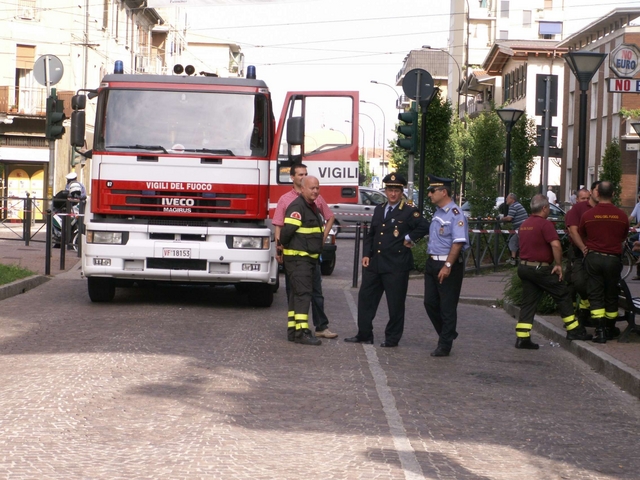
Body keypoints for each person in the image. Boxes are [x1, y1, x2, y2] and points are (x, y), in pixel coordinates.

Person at [344, 173, 429, 347]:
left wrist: (410, 238)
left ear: (401, 192)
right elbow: (372, 234)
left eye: (396, 190)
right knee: (366, 298)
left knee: (395, 304)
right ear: (385, 190)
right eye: (390, 190)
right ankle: (364, 333)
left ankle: (392, 338)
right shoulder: (380, 209)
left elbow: (424, 226)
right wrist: (366, 254)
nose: (392, 194)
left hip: (396, 265)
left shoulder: (409, 211)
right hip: (376, 263)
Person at [514, 194, 592, 349]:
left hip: (524, 268)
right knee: (562, 294)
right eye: (548, 207)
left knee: (528, 302)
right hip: (540, 269)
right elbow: (556, 245)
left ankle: (522, 337)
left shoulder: (525, 224)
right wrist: (557, 264)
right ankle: (573, 329)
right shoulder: (545, 224)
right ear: (544, 208)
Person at [273, 163, 338, 339]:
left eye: (305, 173)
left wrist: (322, 238)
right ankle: (299, 331)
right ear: (293, 178)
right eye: (300, 174)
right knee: (298, 293)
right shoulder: (289, 201)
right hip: (297, 257)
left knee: (312, 292)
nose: (303, 176)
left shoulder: (314, 200)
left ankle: (316, 326)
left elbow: (330, 217)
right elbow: (281, 227)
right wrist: (279, 249)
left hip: (310, 256)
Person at [423, 175, 469, 357]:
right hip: (432, 262)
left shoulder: (455, 214)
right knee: (429, 303)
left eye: (432, 191)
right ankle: (447, 333)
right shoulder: (438, 212)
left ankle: (445, 344)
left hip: (447, 264)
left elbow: (457, 243)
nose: (429, 194)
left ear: (444, 192)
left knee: (447, 306)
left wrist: (448, 265)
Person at [579, 181, 629, 343]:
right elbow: (623, 236)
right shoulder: (621, 216)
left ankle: (599, 331)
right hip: (613, 259)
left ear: (597, 194)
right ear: (613, 194)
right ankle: (610, 328)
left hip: (594, 257)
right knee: (611, 293)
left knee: (595, 293)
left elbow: (582, 233)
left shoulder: (588, 215)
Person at [280, 175, 326, 346]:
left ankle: (293, 331)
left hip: (306, 260)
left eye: (317, 188)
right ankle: (302, 332)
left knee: (296, 294)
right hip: (299, 260)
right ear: (303, 189)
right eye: (312, 188)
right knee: (303, 295)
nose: (315, 191)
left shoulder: (311, 206)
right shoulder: (298, 207)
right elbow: (285, 233)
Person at [565, 186, 596, 326]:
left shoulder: (592, 209)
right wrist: (582, 247)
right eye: (582, 198)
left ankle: (584, 313)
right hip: (576, 251)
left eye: (587, 198)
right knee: (573, 281)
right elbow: (572, 231)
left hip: (589, 251)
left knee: (584, 282)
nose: (585, 201)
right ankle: (572, 314)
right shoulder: (575, 211)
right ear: (577, 199)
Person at [502, 193, 529, 266]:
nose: (506, 200)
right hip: (524, 228)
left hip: (521, 229)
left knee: (512, 241)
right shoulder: (518, 205)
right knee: (519, 243)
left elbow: (509, 218)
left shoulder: (513, 206)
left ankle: (513, 260)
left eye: (508, 198)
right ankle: (519, 259)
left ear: (512, 199)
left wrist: (501, 218)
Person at [627, 193, 640, 280]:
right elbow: (631, 217)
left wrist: (638, 225)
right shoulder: (638, 205)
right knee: (632, 239)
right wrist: (624, 224)